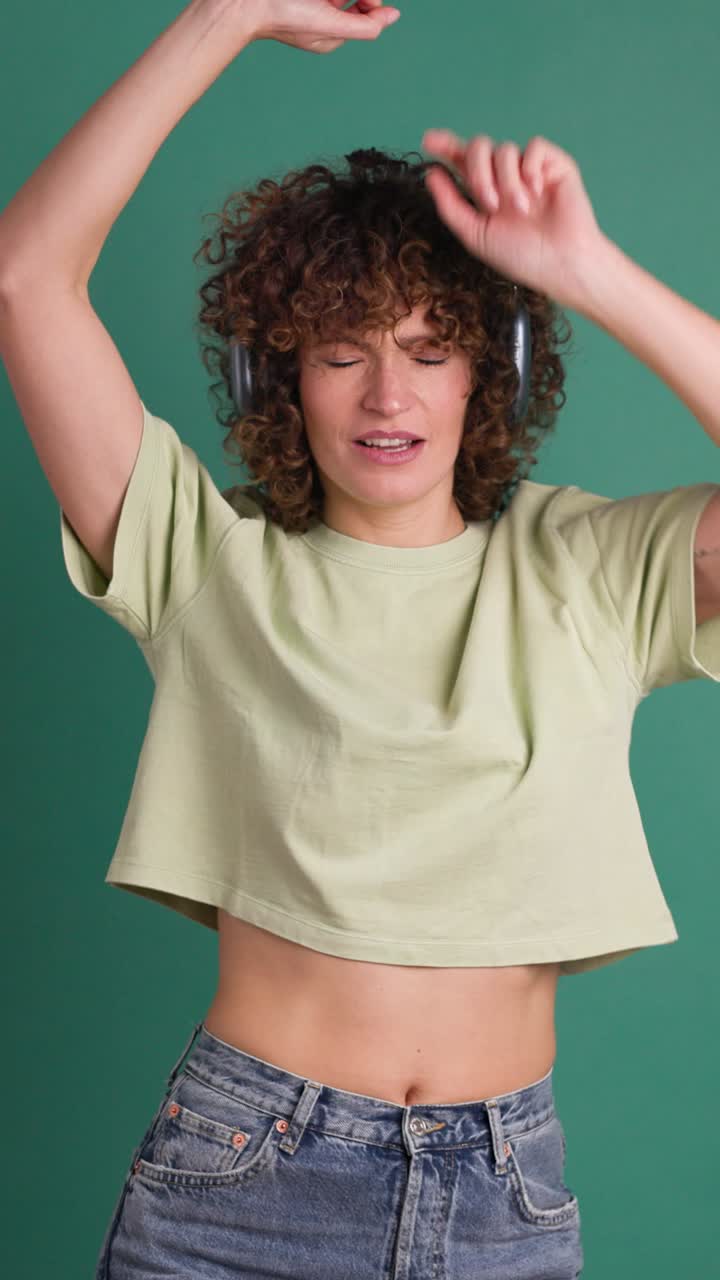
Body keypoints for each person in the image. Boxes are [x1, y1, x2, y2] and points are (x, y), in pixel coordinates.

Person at [2, 2, 719, 1277]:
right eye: (342, 353)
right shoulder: (202, 557)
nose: (389, 394)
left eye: (431, 351)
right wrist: (226, 14)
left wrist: (588, 270)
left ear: (487, 373)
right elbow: (23, 277)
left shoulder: (590, 565)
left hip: (504, 1195)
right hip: (238, 1182)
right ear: (278, 378)